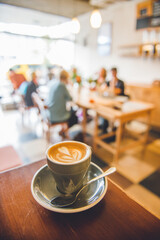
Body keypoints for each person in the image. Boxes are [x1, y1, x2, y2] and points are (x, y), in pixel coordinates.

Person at [102, 67, 125, 134]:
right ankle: (106, 128)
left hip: (119, 102)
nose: (113, 74)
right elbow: (104, 89)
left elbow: (117, 91)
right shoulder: (109, 81)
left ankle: (115, 129)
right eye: (111, 73)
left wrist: (112, 86)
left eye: (114, 72)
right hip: (110, 100)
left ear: (116, 73)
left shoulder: (120, 82)